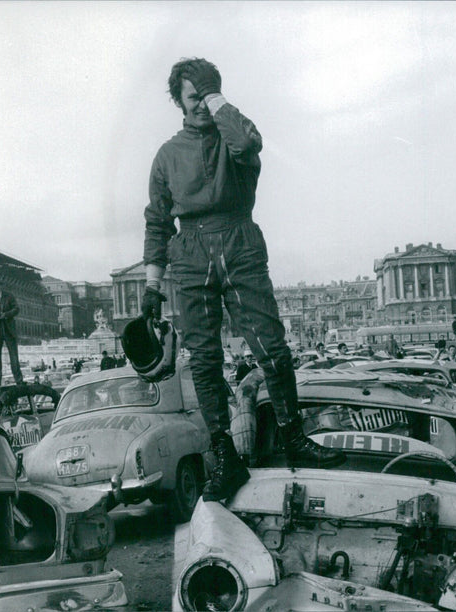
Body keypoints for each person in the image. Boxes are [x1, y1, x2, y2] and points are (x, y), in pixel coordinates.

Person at [141, 57, 344, 502]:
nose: (201, 106)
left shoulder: (235, 139)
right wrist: (153, 286)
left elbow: (248, 141)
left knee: (271, 347)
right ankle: (225, 459)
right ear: (178, 100)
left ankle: (294, 438)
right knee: (204, 361)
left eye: (209, 96)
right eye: (193, 97)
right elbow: (158, 222)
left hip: (240, 241)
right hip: (190, 253)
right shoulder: (167, 155)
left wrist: (216, 100)